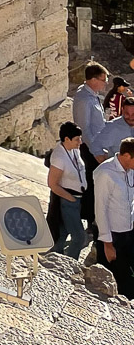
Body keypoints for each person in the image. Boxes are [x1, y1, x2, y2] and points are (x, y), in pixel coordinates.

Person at [72, 61, 112, 233]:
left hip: (97, 144)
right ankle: (90, 220)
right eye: (103, 80)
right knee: (93, 184)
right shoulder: (83, 98)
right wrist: (96, 152)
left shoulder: (92, 95)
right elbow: (84, 129)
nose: (105, 84)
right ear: (93, 79)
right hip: (90, 148)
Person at [93, 136, 134, 297]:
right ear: (126, 156)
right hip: (112, 237)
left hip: (128, 232)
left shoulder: (130, 171)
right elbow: (100, 209)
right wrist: (107, 244)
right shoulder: (105, 173)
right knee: (114, 280)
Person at [47, 121, 89, 258]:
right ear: (66, 139)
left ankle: (55, 259)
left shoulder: (73, 150)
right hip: (69, 201)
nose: (80, 142)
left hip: (77, 199)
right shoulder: (59, 157)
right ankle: (70, 264)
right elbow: (53, 184)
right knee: (79, 237)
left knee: (62, 234)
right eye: (77, 139)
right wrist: (70, 199)